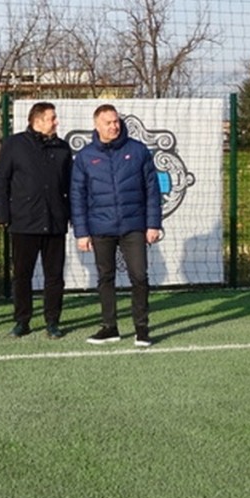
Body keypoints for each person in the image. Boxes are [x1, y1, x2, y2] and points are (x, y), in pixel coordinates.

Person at [71, 104, 162, 347]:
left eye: (116, 122)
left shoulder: (139, 151)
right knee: (105, 278)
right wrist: (81, 232)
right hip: (101, 228)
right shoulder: (85, 157)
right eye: (108, 123)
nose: (114, 126)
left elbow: (152, 190)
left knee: (139, 277)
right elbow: (77, 196)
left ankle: (142, 329)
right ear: (96, 126)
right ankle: (109, 328)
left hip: (134, 226)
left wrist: (153, 224)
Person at [0, 102, 72, 340]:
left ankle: (52, 321)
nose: (56, 122)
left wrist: (69, 214)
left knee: (55, 277)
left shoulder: (62, 148)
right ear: (37, 121)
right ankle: (22, 321)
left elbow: (70, 185)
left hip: (55, 222)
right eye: (52, 118)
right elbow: (0, 181)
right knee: (22, 275)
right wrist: (3, 215)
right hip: (23, 222)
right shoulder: (15, 145)